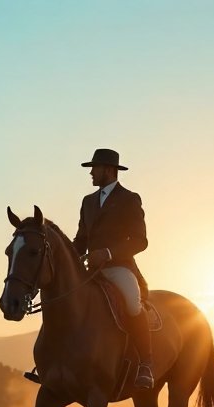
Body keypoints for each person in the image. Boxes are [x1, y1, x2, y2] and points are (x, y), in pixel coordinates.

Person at [73, 148, 154, 388]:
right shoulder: (87, 202)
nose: (91, 173)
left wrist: (107, 253)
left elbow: (140, 241)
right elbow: (80, 240)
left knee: (131, 302)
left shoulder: (129, 199)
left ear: (108, 170)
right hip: (90, 270)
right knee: (64, 299)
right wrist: (68, 257)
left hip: (118, 268)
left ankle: (146, 364)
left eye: (94, 168)